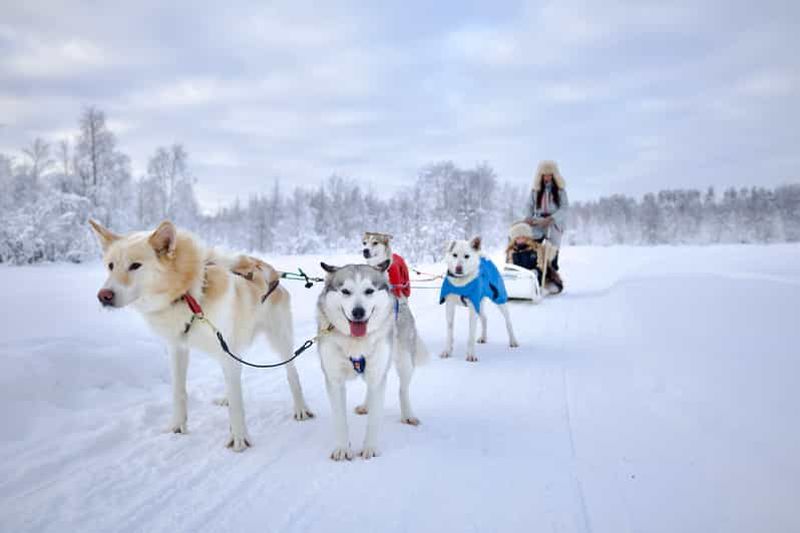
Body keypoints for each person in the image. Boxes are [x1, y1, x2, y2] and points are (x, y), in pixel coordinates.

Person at [524, 160, 568, 293]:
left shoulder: (560, 191)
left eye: (550, 175)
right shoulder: (535, 190)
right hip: (537, 222)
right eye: (545, 175)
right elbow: (529, 205)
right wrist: (528, 217)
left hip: (553, 223)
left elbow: (564, 208)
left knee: (552, 252)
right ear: (541, 175)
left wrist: (552, 218)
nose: (547, 178)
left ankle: (552, 278)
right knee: (532, 248)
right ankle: (534, 276)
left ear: (554, 175)